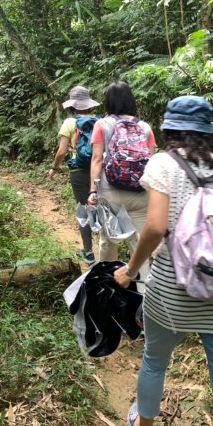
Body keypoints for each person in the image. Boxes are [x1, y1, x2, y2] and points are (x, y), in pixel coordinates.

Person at [114, 95, 213, 426]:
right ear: (210, 131)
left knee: (155, 360)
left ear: (170, 129)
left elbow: (155, 227)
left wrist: (130, 271)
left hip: (170, 294)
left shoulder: (164, 163)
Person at [89, 82, 156, 283]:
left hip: (111, 193)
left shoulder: (101, 125)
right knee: (140, 246)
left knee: (109, 243)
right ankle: (145, 298)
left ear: (108, 102)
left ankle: (106, 289)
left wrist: (93, 190)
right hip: (140, 194)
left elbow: (97, 159)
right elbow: (151, 162)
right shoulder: (145, 128)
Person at [47, 86, 100, 264]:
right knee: (102, 208)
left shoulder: (69, 123)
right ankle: (108, 250)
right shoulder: (101, 122)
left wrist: (54, 168)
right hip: (99, 171)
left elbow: (61, 151)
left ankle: (88, 251)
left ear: (73, 105)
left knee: (83, 208)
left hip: (78, 172)